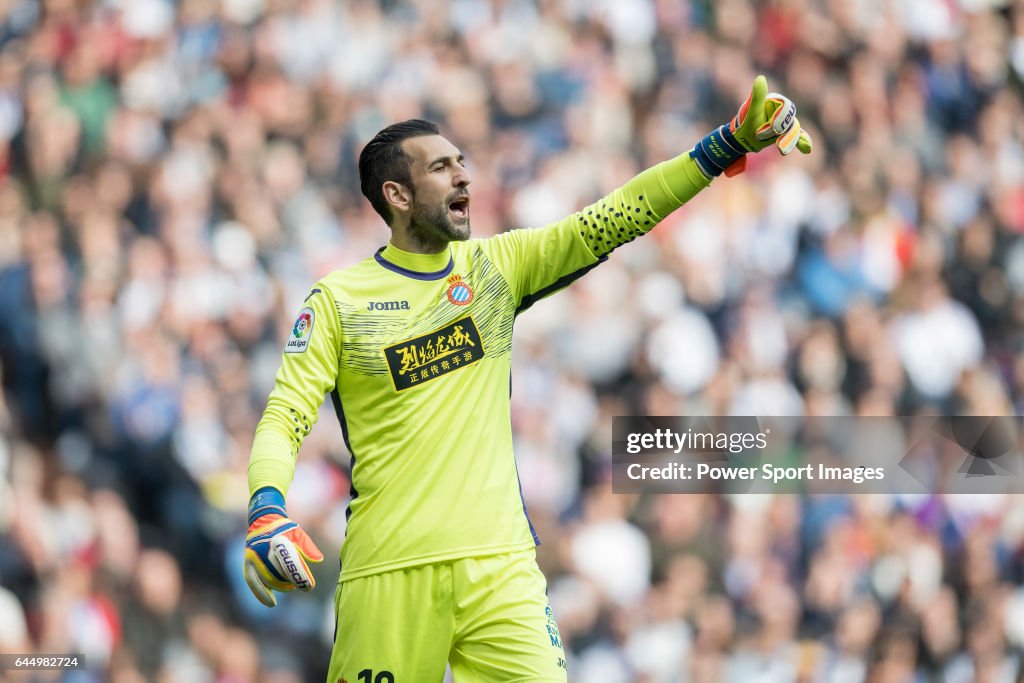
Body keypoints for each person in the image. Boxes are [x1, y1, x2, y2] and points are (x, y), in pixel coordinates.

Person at [242, 76, 811, 682]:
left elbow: (614, 218)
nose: (464, 176)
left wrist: (725, 145)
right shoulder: (338, 300)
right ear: (397, 195)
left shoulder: (495, 269)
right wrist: (266, 508)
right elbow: (286, 413)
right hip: (389, 570)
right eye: (440, 168)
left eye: (462, 163)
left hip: (500, 567)